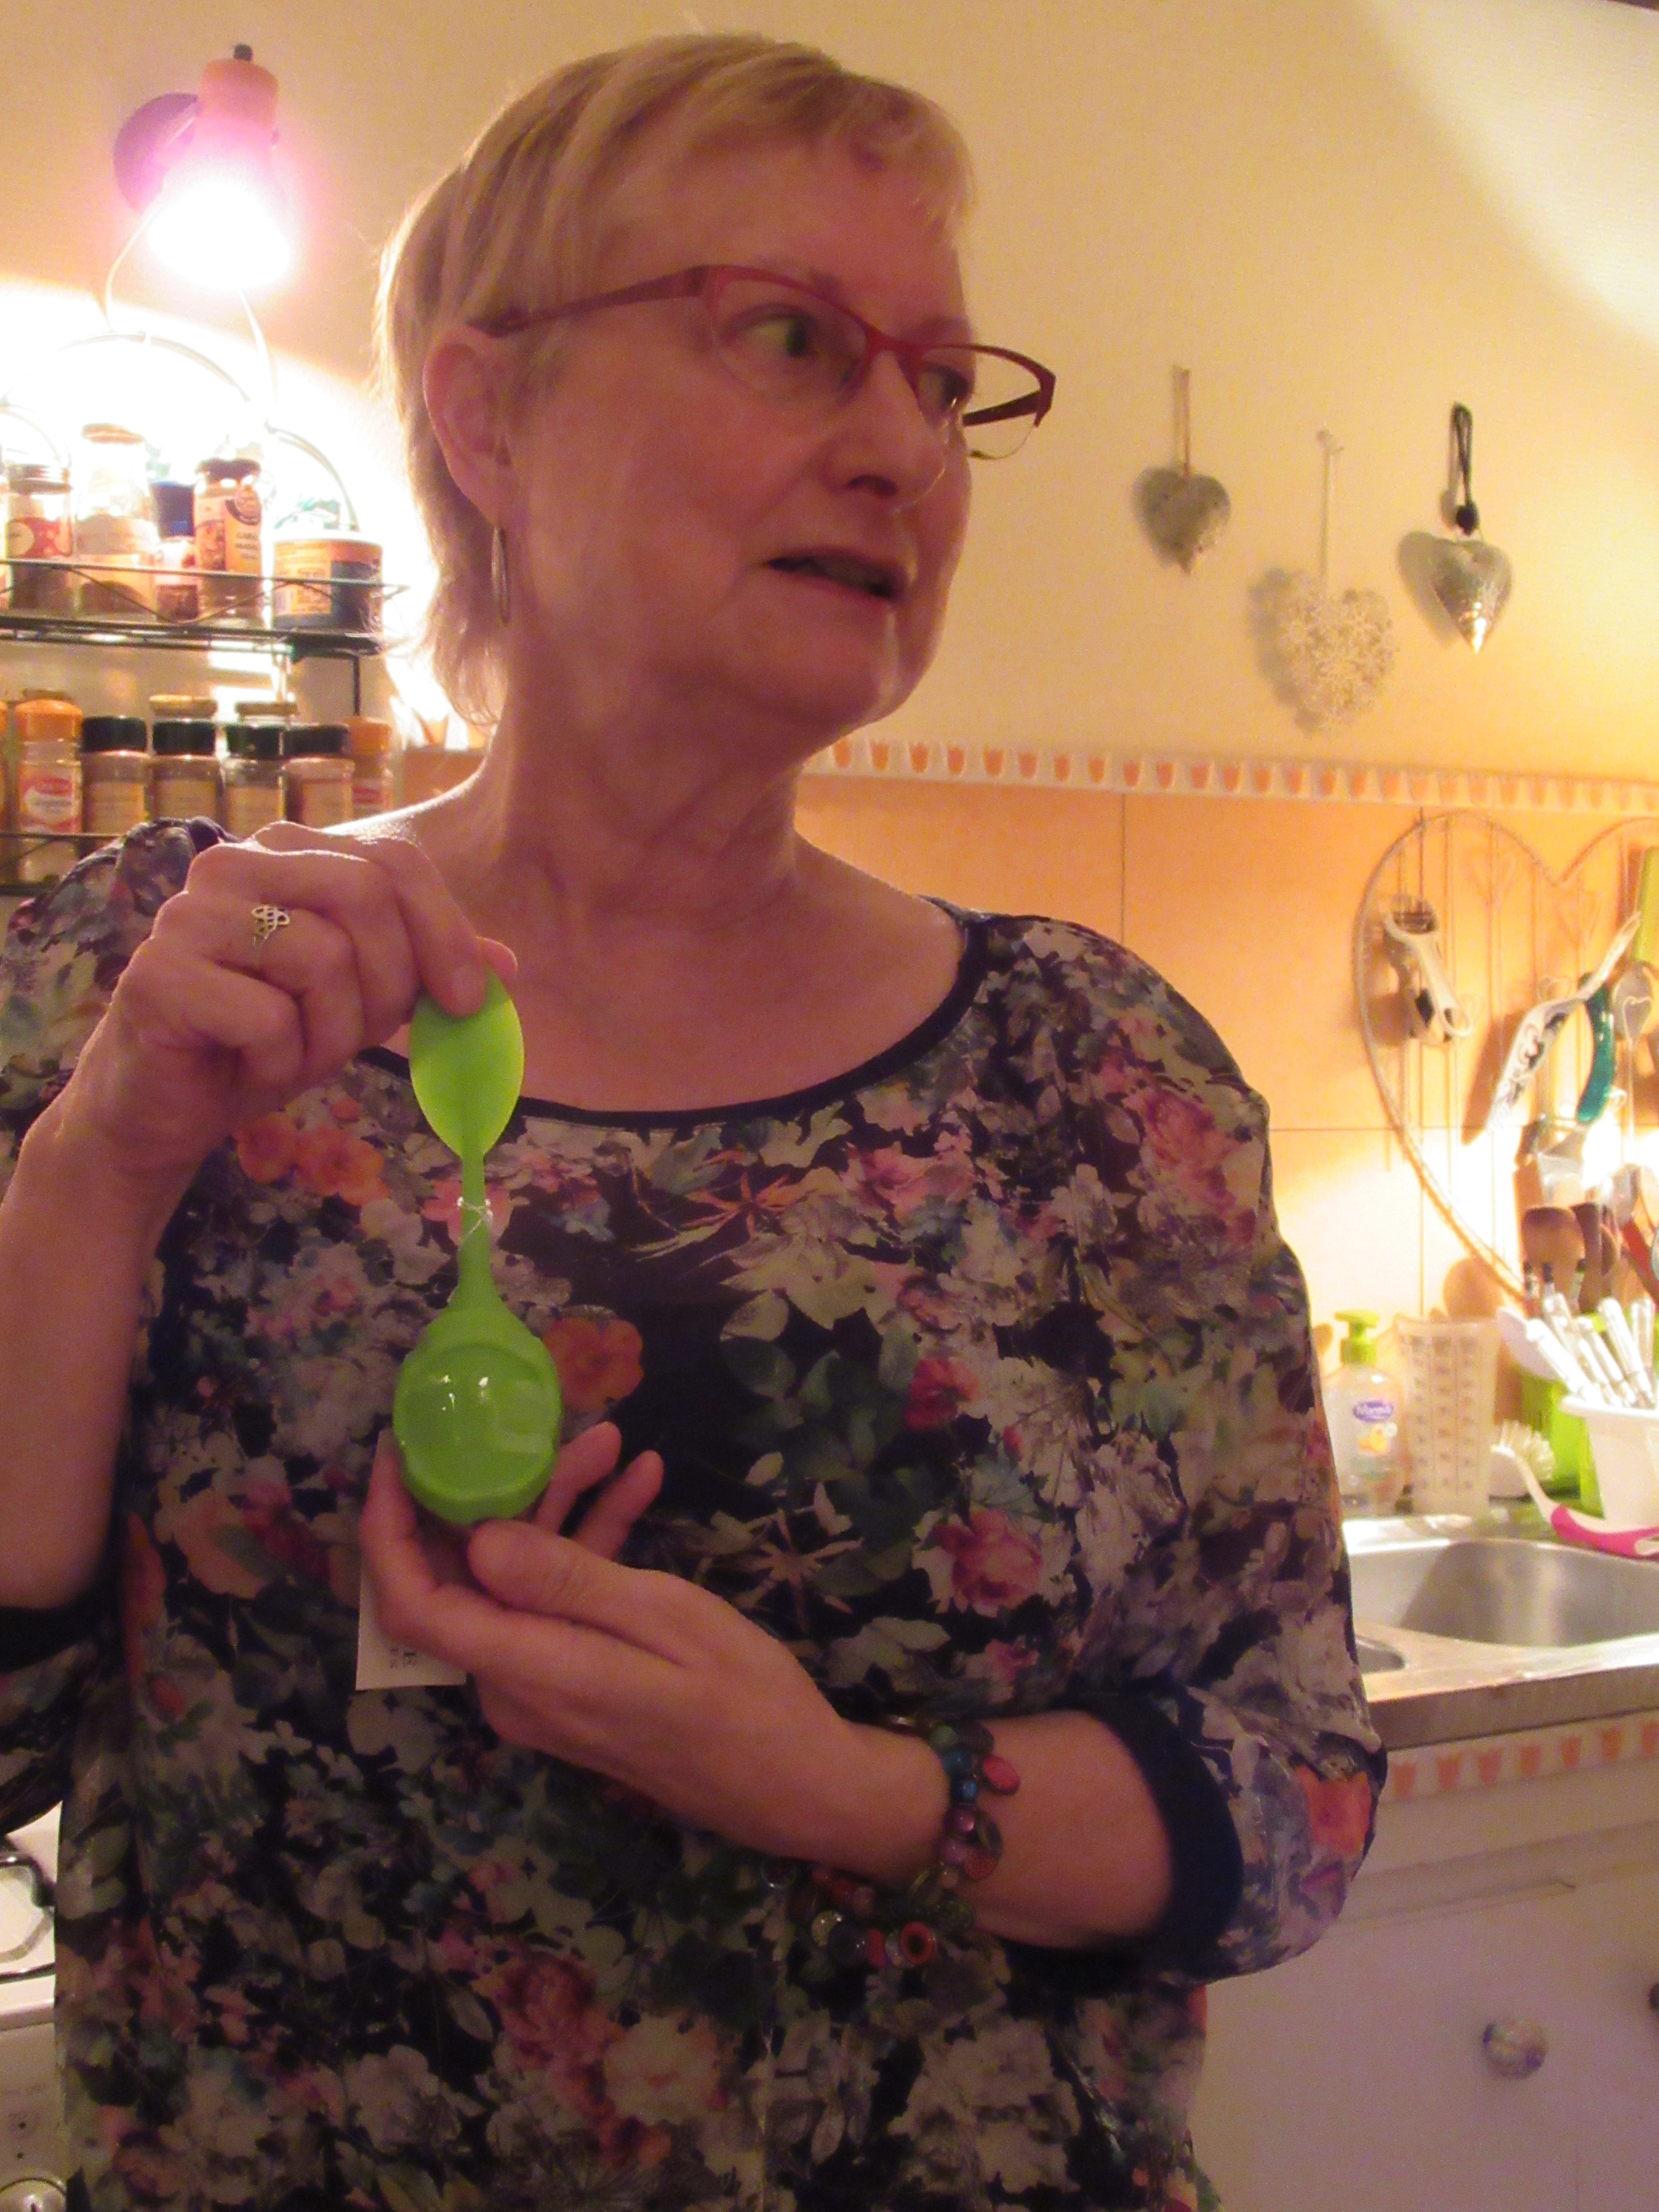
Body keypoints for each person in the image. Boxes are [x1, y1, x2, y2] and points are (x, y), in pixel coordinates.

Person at [0, 32, 1383, 2212]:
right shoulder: (154, 992)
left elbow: (1295, 1802)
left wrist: (839, 1788)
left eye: (945, 383)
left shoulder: (1102, 1082)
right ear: (487, 417)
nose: (902, 449)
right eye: (790, 337)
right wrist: (96, 1174)